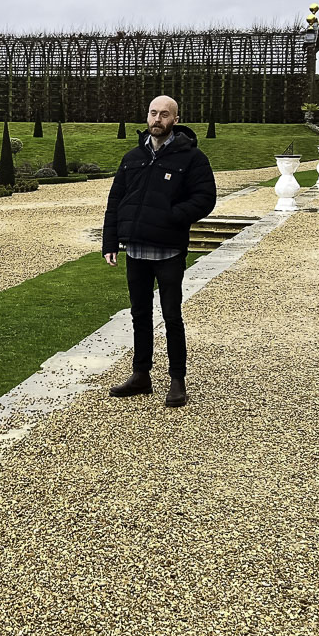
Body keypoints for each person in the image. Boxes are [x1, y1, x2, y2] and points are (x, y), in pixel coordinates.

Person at [101, 95, 218, 408]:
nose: (157, 119)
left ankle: (177, 379)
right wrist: (110, 242)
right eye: (153, 113)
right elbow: (115, 201)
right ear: (147, 116)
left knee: (171, 316)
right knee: (139, 314)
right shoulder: (133, 156)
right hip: (136, 250)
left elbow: (205, 198)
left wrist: (171, 216)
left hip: (168, 250)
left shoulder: (191, 157)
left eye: (164, 114)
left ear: (175, 119)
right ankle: (141, 374)